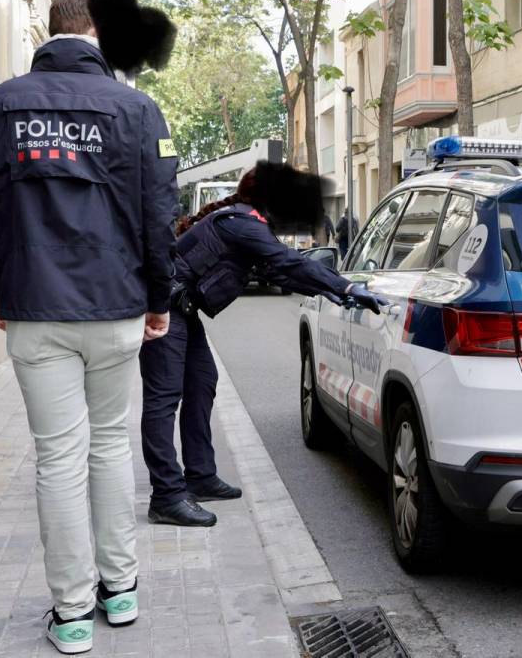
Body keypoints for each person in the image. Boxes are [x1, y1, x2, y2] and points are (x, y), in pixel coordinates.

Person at [0, 0, 179, 654]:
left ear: (49, 30)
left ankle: (73, 612)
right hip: (115, 310)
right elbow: (158, 217)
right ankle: (123, 588)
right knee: (109, 445)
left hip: (34, 308)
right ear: (99, 36)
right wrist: (158, 298)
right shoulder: (137, 112)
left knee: (58, 455)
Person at [139, 161, 385, 527]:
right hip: (164, 310)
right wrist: (344, 286)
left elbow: (279, 271)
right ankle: (166, 496)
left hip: (183, 313)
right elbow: (286, 260)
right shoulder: (242, 223)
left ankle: (200, 476)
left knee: (202, 383)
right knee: (164, 400)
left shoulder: (246, 223)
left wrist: (333, 292)